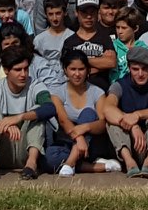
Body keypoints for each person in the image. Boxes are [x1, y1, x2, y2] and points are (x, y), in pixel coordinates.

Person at [102, 44, 148, 178]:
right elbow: (108, 108)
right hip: (128, 143)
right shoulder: (119, 85)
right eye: (135, 69)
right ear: (129, 68)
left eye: (144, 69)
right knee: (112, 123)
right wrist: (132, 125)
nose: (140, 74)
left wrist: (138, 115)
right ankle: (129, 163)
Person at [44, 48, 115, 176]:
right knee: (50, 159)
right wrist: (79, 137)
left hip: (92, 144)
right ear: (65, 70)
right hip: (67, 141)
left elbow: (103, 123)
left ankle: (70, 163)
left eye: (81, 69)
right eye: (73, 69)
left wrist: (85, 128)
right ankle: (98, 166)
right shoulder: (57, 93)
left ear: (88, 70)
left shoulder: (97, 92)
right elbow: (63, 120)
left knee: (88, 113)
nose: (77, 74)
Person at [0, 46, 45, 181]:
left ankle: (31, 165)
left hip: (25, 148)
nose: (23, 74)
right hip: (3, 149)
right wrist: (2, 125)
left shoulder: (36, 85)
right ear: (6, 70)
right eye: (18, 70)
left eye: (26, 69)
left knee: (38, 111)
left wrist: (19, 117)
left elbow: (50, 108)